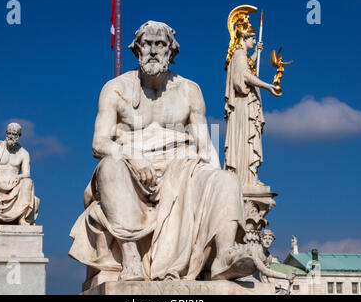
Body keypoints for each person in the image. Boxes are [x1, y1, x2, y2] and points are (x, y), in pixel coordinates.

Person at [69, 21, 249, 284]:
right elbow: (99, 143)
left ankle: (223, 255)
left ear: (171, 51)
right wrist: (131, 156)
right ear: (137, 49)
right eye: (147, 44)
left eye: (160, 44)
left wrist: (216, 176)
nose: (153, 50)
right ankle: (130, 256)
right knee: (110, 167)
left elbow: (204, 143)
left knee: (226, 180)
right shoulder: (115, 88)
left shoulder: (189, 90)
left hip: (181, 165)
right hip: (130, 165)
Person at [224, 14, 281, 189]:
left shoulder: (241, 55)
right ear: (244, 37)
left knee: (247, 141)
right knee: (245, 140)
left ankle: (248, 176)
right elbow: (244, 76)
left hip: (245, 106)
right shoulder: (239, 54)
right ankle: (245, 178)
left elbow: (247, 68)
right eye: (253, 38)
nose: (254, 41)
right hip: (243, 107)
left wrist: (256, 53)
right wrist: (268, 86)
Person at [0, 123, 39, 226]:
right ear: (5, 133)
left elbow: (27, 173)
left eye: (14, 134)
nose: (11, 136)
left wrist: (19, 176)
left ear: (18, 136)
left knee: (28, 182)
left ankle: (21, 218)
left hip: (14, 185)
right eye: (9, 133)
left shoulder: (23, 153)